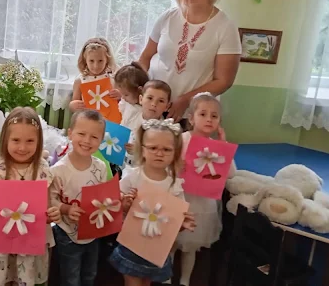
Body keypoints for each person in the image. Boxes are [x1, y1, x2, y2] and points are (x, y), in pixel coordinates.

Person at [137, 0, 241, 122]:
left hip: (190, 115)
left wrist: (186, 100)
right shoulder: (167, 17)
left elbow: (224, 81)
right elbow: (145, 57)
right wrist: (143, 91)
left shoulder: (226, 27)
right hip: (151, 110)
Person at [0, 107, 61, 285]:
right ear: (6, 139)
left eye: (30, 141)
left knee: (24, 277)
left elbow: (47, 211)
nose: (22, 147)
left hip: (29, 240)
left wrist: (53, 214)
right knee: (1, 278)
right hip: (1, 239)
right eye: (16, 140)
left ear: (39, 141)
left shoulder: (43, 170)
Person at [109, 119, 195, 286]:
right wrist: (124, 203)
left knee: (147, 281)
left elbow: (177, 217)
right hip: (132, 244)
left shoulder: (174, 184)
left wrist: (182, 224)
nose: (159, 153)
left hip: (156, 247)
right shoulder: (133, 176)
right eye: (153, 148)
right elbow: (114, 198)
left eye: (166, 149)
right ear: (142, 149)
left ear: (175, 152)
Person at [175, 92, 236, 286]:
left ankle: (185, 280)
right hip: (179, 197)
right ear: (191, 118)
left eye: (214, 116)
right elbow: (167, 163)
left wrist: (223, 146)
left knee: (191, 245)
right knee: (170, 241)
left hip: (201, 204)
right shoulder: (181, 139)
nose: (209, 119)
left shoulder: (216, 146)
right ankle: (166, 277)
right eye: (203, 114)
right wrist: (177, 165)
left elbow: (231, 173)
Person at [50, 109, 108, 286]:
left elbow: (103, 197)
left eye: (94, 137)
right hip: (67, 234)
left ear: (101, 140)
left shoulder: (100, 167)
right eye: (81, 134)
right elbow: (50, 200)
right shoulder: (58, 170)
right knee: (71, 278)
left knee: (90, 274)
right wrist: (66, 209)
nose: (87, 141)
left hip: (93, 234)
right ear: (70, 134)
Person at [69, 37, 121, 112]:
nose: (96, 66)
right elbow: (74, 104)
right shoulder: (79, 81)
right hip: (88, 117)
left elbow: (123, 102)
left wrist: (120, 96)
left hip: (109, 118)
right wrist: (72, 105)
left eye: (100, 61)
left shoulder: (113, 79)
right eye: (91, 61)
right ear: (85, 60)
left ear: (107, 60)